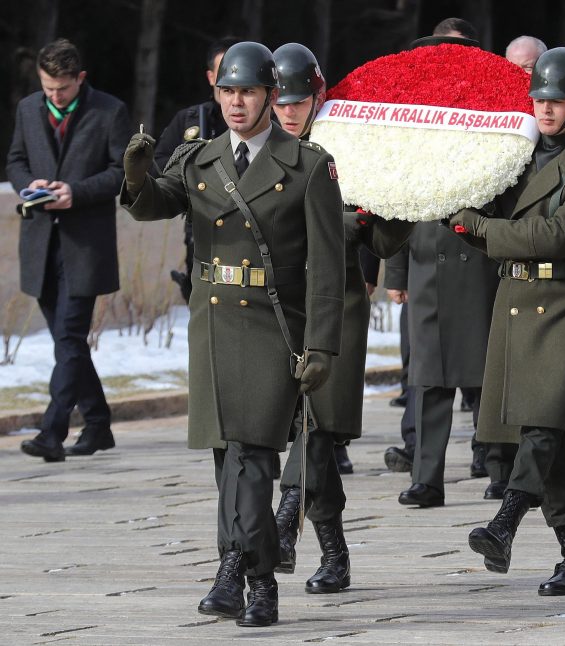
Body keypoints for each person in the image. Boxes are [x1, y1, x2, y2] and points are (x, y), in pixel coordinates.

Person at [121, 41, 345, 627]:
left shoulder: (309, 165)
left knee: (250, 454)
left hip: (272, 326)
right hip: (214, 322)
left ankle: (259, 580)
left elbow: (327, 263)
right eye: (227, 92)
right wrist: (137, 174)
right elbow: (153, 206)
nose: (235, 103)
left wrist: (321, 343)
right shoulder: (201, 158)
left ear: (272, 96)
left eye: (247, 92)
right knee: (227, 457)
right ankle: (232, 568)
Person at [450, 47, 565, 595]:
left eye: (557, 101)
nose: (545, 110)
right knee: (539, 437)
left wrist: (477, 226)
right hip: (518, 298)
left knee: (546, 425)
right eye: (540, 100)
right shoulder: (516, 157)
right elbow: (491, 225)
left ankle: (506, 523)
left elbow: (554, 236)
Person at [268, 42, 412, 593]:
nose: (288, 111)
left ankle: (285, 522)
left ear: (320, 93)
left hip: (337, 300)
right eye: (280, 101)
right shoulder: (260, 146)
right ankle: (336, 553)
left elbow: (379, 227)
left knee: (319, 423)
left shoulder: (351, 143)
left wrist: (396, 207)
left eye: (298, 101)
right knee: (307, 429)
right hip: (281, 302)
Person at [383, 20, 515, 503]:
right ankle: (427, 475)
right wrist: (395, 271)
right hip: (426, 258)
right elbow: (392, 201)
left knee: (490, 372)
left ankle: (500, 466)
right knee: (428, 376)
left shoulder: (495, 112)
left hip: (481, 258)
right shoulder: (409, 119)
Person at [7, 38, 131, 462]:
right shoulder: (27, 109)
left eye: (61, 87)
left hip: (86, 246)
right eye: (47, 87)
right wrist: (32, 184)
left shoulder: (110, 111)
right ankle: (97, 425)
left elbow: (122, 173)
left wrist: (75, 193)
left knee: (71, 337)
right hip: (40, 244)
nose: (54, 95)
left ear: (80, 78)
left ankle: (51, 432)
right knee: (68, 344)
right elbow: (15, 160)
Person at [155, 37, 239, 303]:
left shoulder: (264, 121)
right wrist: (193, 178)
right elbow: (160, 163)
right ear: (211, 77)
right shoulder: (190, 121)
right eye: (224, 71)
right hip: (201, 231)